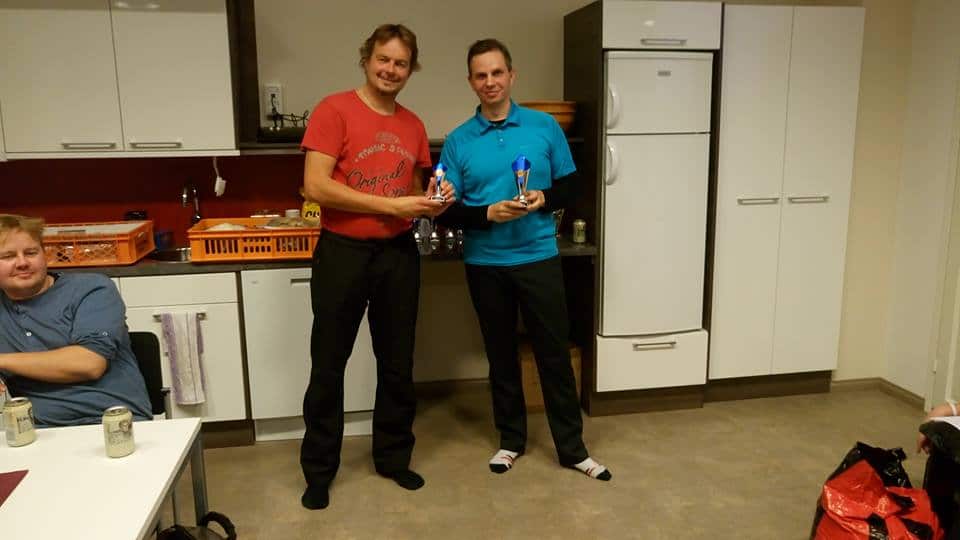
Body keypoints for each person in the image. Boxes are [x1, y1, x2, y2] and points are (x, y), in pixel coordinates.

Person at [436, 39, 611, 481]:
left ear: (511, 76)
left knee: (554, 355)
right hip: (485, 263)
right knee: (501, 356)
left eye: (497, 72)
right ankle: (510, 440)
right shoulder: (458, 141)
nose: (490, 82)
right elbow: (444, 208)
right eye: (481, 75)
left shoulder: (544, 127)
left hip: (538, 257)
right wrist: (487, 214)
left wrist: (543, 198)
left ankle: (572, 449)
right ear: (471, 82)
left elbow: (572, 186)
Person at [298, 23, 453, 510]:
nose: (391, 69)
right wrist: (392, 206)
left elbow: (416, 192)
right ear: (366, 60)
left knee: (397, 363)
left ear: (411, 69)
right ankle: (319, 472)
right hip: (342, 253)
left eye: (401, 63)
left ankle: (393, 457)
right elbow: (315, 187)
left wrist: (435, 199)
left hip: (397, 255)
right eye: (383, 59)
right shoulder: (333, 110)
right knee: (329, 365)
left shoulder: (413, 125)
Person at [0, 214, 151, 427]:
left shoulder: (91, 289)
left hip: (114, 422)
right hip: (37, 430)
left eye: (31, 253)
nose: (22, 263)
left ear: (44, 254)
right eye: (8, 256)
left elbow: (89, 364)